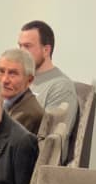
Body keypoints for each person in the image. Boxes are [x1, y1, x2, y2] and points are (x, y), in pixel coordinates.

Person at [18, 19, 80, 152]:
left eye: (27, 46)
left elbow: (49, 144)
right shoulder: (21, 79)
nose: (21, 52)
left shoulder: (61, 87)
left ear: (46, 50)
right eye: (20, 46)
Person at [0, 47, 44, 135]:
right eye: (1, 71)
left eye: (13, 73)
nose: (5, 80)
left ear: (29, 80)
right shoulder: (0, 101)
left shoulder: (29, 114)